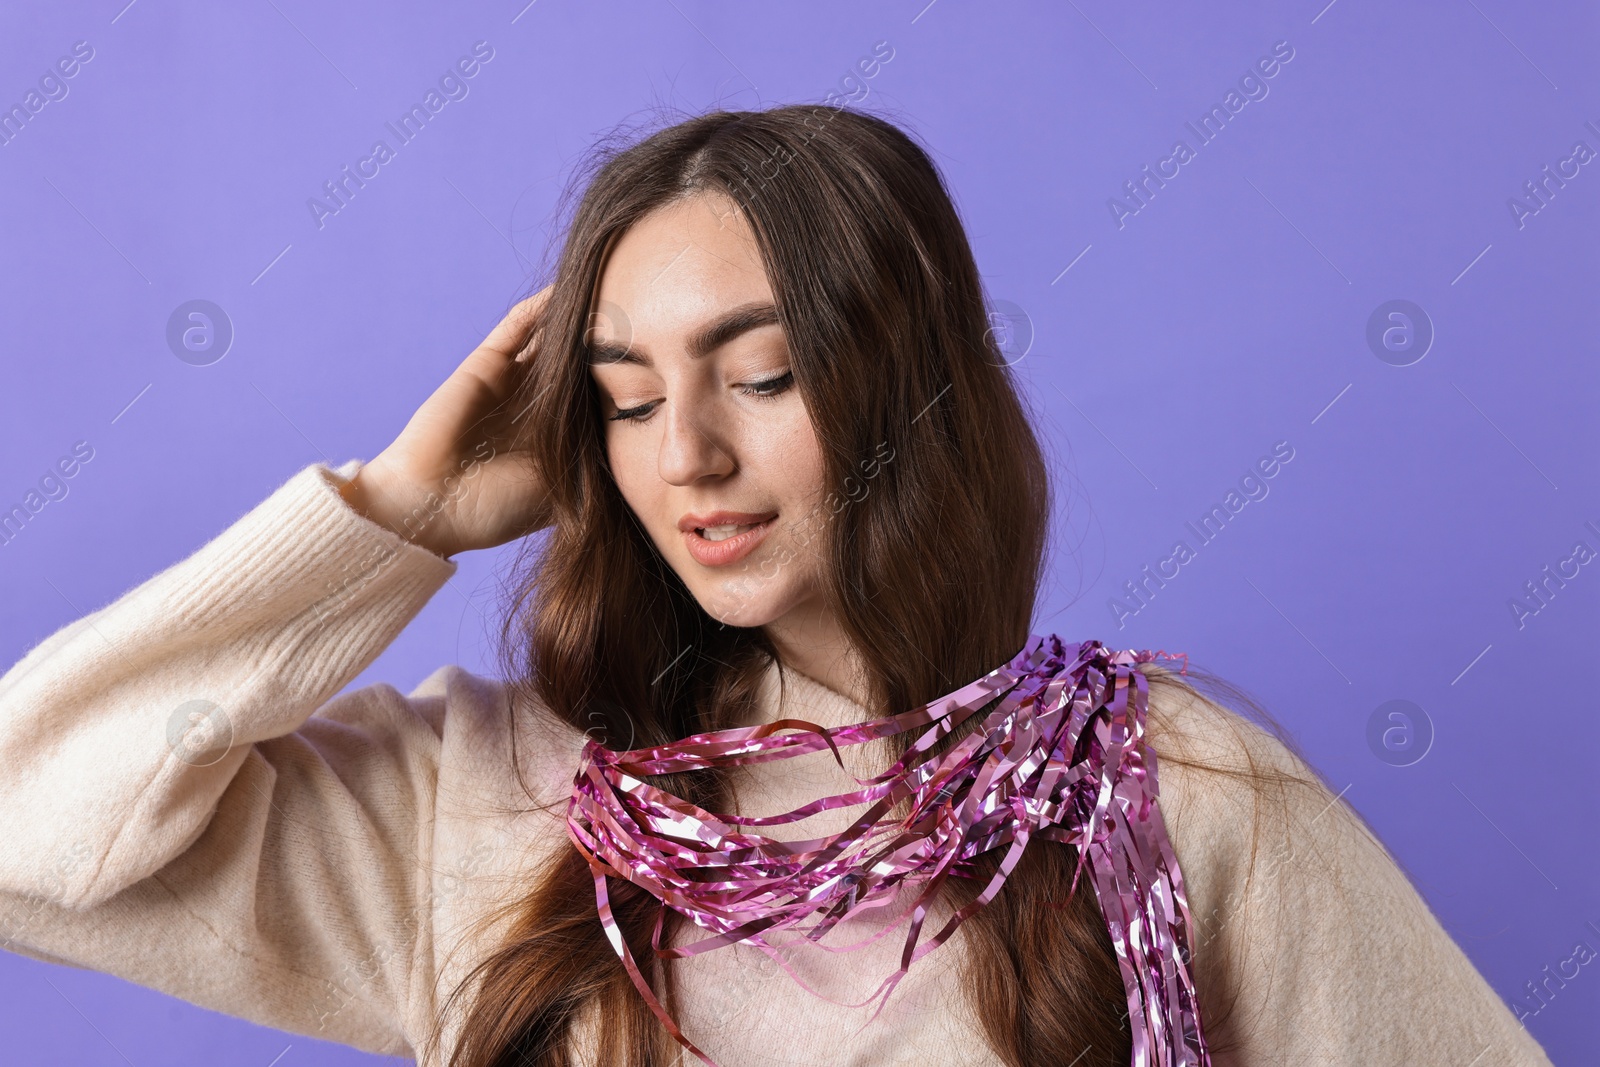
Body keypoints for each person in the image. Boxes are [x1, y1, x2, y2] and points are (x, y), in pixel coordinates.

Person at [0, 106, 1553, 1067]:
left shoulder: (1171, 797)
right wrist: (388, 517)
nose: (685, 453)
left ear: (902, 386)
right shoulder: (483, 808)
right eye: (619, 395)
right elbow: (22, 824)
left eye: (759, 374)